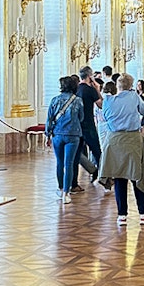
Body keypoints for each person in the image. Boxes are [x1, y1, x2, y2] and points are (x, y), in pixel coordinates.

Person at [99, 74, 144, 225]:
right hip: (132, 140)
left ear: (118, 85)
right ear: (131, 86)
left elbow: (105, 117)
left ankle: (122, 215)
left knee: (119, 178)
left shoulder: (108, 100)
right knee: (138, 176)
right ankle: (143, 214)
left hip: (114, 141)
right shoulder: (134, 97)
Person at [46, 75, 83, 204]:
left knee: (59, 163)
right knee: (70, 164)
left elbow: (49, 118)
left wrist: (48, 134)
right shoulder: (78, 101)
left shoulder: (54, 100)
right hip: (73, 135)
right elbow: (81, 117)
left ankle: (61, 188)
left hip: (57, 134)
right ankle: (66, 193)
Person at [76, 67, 103, 187]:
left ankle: (88, 173)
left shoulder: (75, 88)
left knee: (79, 153)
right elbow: (101, 105)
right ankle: (102, 175)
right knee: (97, 151)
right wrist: (97, 90)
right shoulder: (90, 90)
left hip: (77, 125)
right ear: (89, 76)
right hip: (89, 124)